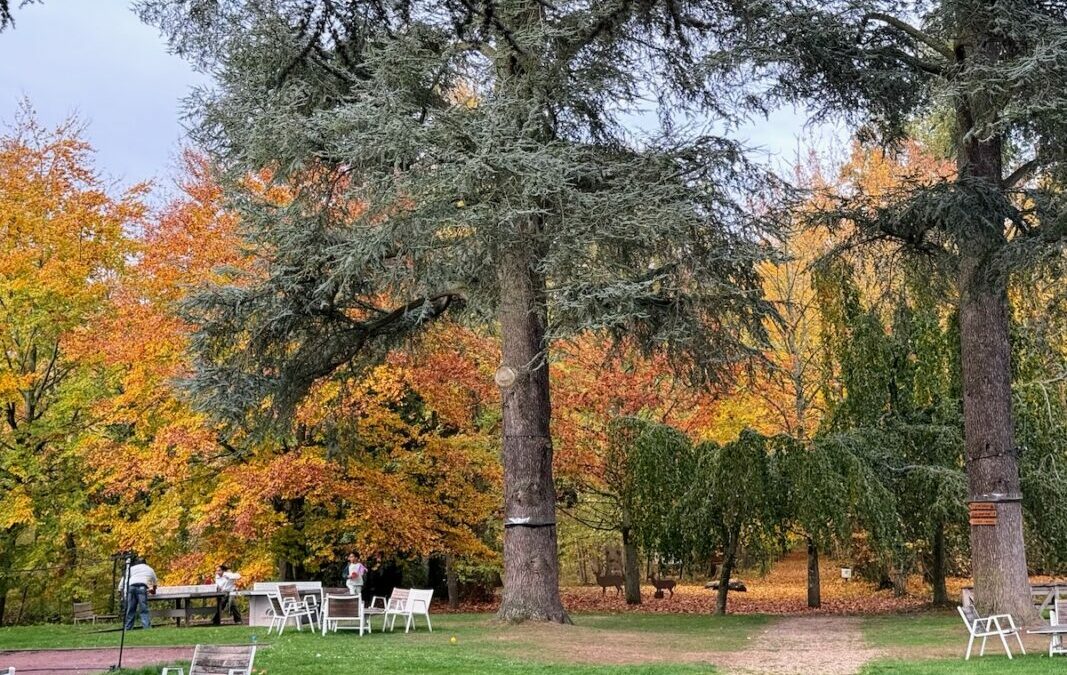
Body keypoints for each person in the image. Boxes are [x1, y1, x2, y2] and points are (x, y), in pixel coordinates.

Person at [123, 556, 157, 630]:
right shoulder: (150, 569)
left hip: (131, 587)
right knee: (143, 609)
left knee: (131, 608)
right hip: (142, 587)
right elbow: (154, 583)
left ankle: (128, 628)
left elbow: (125, 579)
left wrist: (122, 591)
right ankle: (147, 627)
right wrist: (153, 591)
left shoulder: (132, 568)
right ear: (145, 563)